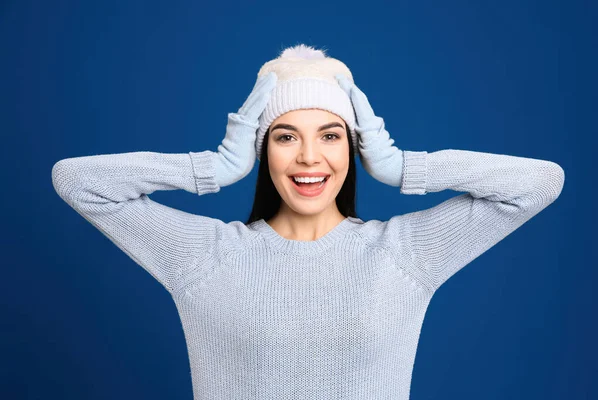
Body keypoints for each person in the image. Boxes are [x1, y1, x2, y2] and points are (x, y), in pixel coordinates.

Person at [51, 44, 565, 400]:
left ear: (353, 146)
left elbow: (540, 184)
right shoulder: (205, 254)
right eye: (285, 136)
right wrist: (213, 167)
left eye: (330, 135)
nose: (309, 158)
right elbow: (76, 182)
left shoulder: (405, 252)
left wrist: (403, 166)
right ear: (262, 151)